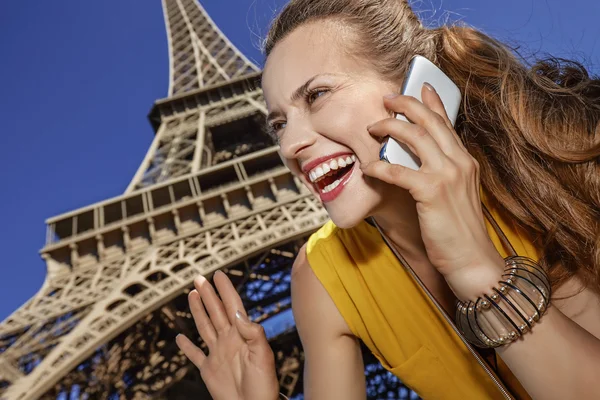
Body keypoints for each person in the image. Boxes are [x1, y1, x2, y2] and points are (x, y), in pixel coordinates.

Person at [175, 0, 600, 399]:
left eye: (318, 94)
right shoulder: (322, 276)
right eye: (279, 124)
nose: (290, 146)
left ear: (417, 86)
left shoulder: (530, 171)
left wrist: (477, 269)